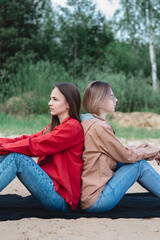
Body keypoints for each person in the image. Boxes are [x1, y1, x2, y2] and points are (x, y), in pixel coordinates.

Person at [0, 83, 84, 212]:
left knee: (17, 158)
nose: (50, 103)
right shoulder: (55, 127)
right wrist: (2, 144)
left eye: (55, 99)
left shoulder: (72, 128)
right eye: (51, 99)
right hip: (50, 187)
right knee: (8, 152)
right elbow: (27, 139)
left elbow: (36, 146)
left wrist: (4, 147)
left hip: (62, 199)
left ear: (68, 103)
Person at [80, 80, 160, 213]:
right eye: (111, 97)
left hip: (87, 197)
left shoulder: (88, 122)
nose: (116, 100)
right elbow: (126, 156)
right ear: (99, 102)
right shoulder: (99, 128)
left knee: (135, 162)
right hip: (96, 200)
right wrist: (154, 152)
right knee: (138, 165)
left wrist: (147, 148)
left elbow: (119, 152)